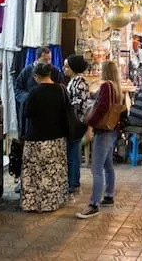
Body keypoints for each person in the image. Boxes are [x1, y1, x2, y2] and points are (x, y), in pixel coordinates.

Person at [76, 61, 123, 219]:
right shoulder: (117, 87)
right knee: (108, 165)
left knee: (96, 168)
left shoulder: (106, 86)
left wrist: (90, 123)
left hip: (103, 131)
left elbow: (102, 107)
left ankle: (94, 204)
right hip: (112, 130)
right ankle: (109, 195)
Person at [20, 63, 69, 212]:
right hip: (56, 139)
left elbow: (27, 113)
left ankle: (33, 203)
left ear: (36, 77)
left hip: (37, 138)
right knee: (53, 172)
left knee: (35, 172)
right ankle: (52, 202)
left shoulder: (34, 93)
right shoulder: (61, 90)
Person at [14, 47, 62, 139]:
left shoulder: (54, 72)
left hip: (49, 113)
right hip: (30, 114)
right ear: (37, 58)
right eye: (45, 60)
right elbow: (18, 88)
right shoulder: (26, 71)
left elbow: (60, 87)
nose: (48, 62)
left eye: (49, 59)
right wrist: (29, 98)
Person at [63, 55, 90, 198]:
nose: (64, 69)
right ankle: (73, 182)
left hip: (76, 123)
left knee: (73, 155)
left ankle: (73, 183)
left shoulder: (79, 83)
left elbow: (78, 105)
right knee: (72, 154)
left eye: (67, 66)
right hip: (75, 122)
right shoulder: (74, 81)